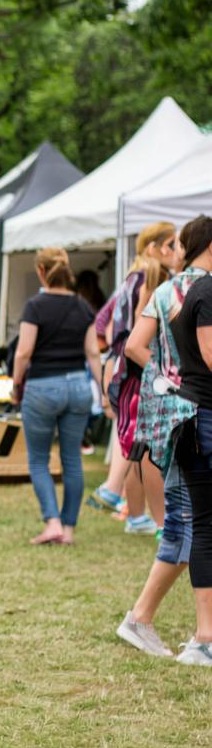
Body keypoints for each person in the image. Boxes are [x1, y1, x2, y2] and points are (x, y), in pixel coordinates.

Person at [117, 217, 210, 656]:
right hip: (192, 405)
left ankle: (149, 619)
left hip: (173, 407)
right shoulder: (195, 290)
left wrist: (160, 378)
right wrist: (171, 378)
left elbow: (135, 345)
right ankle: (144, 619)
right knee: (186, 518)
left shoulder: (165, 291)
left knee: (186, 516)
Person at [92, 223, 181, 533]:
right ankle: (150, 518)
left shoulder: (131, 278)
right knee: (146, 449)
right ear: (153, 247)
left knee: (136, 445)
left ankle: (136, 515)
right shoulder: (151, 280)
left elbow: (103, 326)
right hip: (140, 372)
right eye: (170, 243)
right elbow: (138, 332)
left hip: (126, 371)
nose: (175, 250)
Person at [10, 248, 102, 545]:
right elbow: (92, 353)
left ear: (41, 271)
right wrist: (103, 390)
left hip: (42, 387)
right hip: (77, 386)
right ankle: (69, 529)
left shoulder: (35, 306)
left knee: (38, 459)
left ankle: (52, 523)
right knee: (72, 459)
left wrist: (15, 383)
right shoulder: (83, 307)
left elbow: (24, 351)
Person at [169, 219, 212, 666]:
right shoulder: (207, 291)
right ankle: (204, 637)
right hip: (203, 418)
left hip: (193, 416)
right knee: (204, 527)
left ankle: (205, 637)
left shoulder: (189, 292)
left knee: (204, 527)